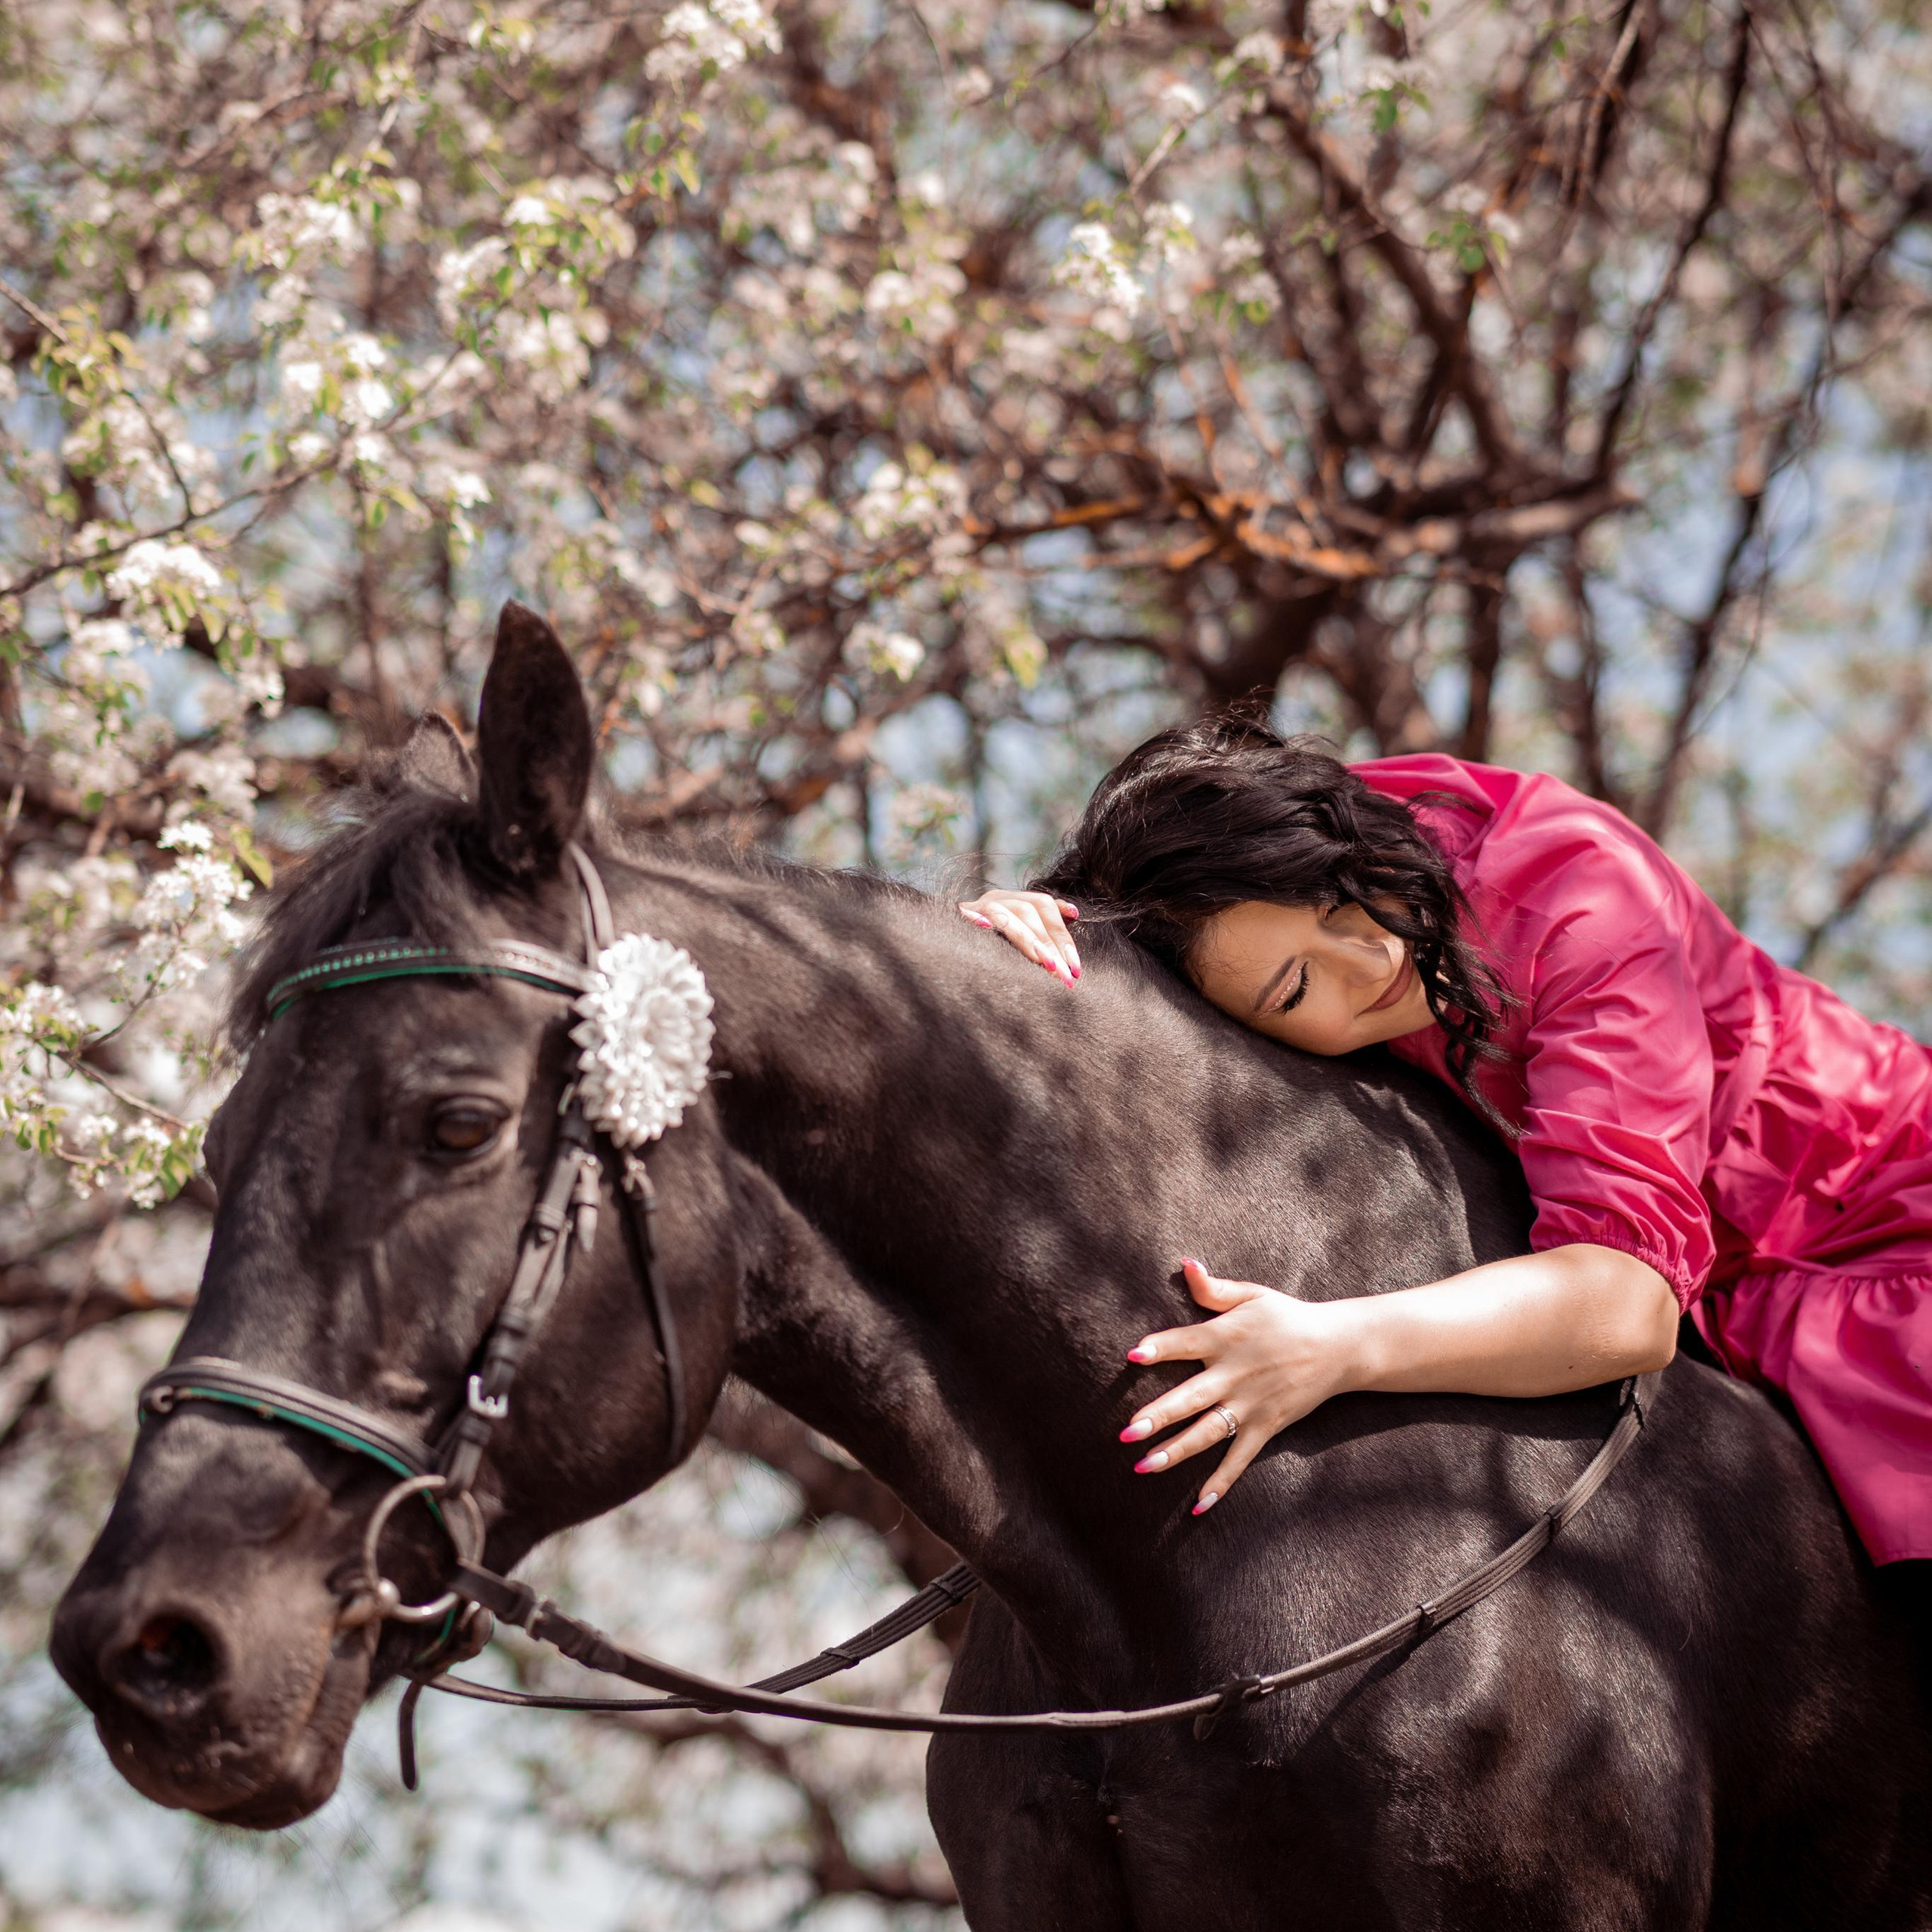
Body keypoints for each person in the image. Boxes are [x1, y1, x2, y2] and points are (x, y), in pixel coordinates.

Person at [957, 719, 1930, 1583]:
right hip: (1736, 1301)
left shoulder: (1577, 893)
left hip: (1886, 1231)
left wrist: (1334, 1345)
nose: (1374, 961)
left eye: (1349, 901)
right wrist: (1035, 930)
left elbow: (1630, 1304)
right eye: (1298, 991)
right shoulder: (1220, 885)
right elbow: (1129, 919)